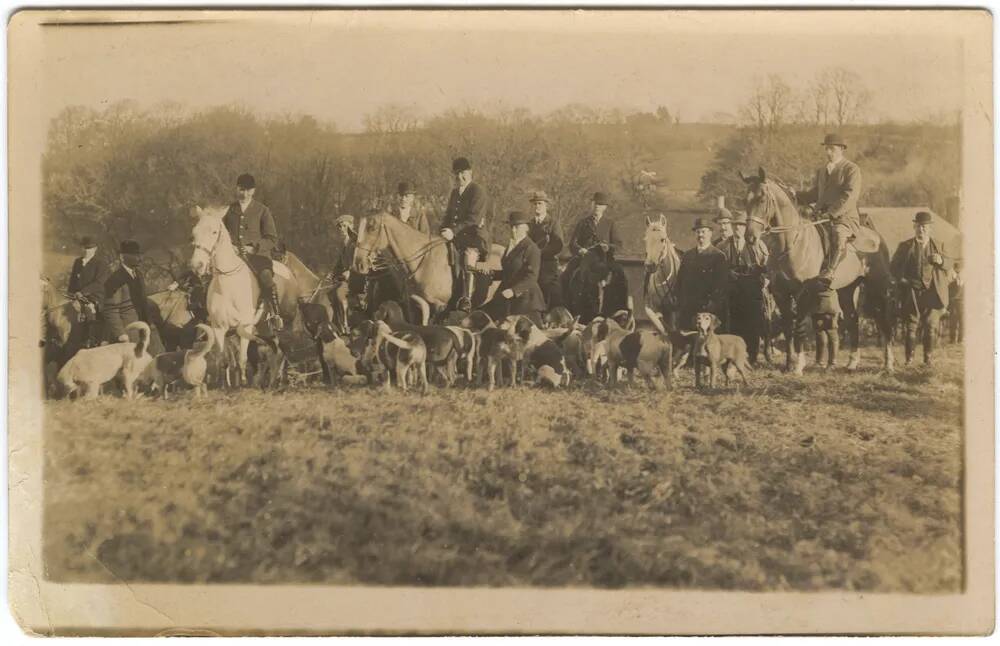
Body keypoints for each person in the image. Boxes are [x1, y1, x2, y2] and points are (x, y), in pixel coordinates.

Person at [796, 133, 862, 286]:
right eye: (826, 149)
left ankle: (831, 271)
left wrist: (832, 213)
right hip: (819, 216)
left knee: (838, 235)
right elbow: (815, 193)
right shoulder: (822, 171)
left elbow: (849, 196)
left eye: (832, 149)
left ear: (841, 149)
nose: (828, 152)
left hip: (844, 218)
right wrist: (796, 195)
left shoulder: (851, 169)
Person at [890, 211, 951, 367]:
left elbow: (950, 265)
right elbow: (893, 268)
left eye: (924, 227)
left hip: (933, 292)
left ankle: (927, 360)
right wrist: (902, 280)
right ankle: (909, 360)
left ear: (930, 228)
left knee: (930, 327)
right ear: (914, 227)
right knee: (911, 327)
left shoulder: (939, 245)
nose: (921, 230)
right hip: (911, 292)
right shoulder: (905, 246)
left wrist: (941, 260)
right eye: (918, 226)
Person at [222, 173, 282, 329]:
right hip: (233, 256)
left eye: (248, 190)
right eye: (241, 189)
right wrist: (230, 247)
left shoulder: (262, 210)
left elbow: (272, 239)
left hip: (258, 257)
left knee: (266, 277)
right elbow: (220, 234)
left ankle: (275, 314)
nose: (244, 194)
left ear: (253, 191)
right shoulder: (229, 210)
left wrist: (253, 247)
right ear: (237, 189)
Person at [480, 211, 546, 327]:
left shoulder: (532, 248)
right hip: (506, 294)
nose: (513, 230)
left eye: (517, 227)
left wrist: (513, 291)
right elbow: (509, 273)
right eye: (511, 227)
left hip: (525, 300)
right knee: (481, 316)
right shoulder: (510, 246)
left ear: (526, 228)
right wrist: (492, 274)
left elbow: (531, 277)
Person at [441, 157, 492, 304]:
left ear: (470, 172)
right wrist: (442, 230)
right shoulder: (454, 193)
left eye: (463, 173)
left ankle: (466, 299)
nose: (460, 177)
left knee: (468, 258)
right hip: (455, 237)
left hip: (474, 237)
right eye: (456, 174)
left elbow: (473, 219)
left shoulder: (478, 191)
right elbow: (448, 215)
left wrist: (453, 231)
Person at [722, 212, 769, 363]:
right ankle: (735, 356)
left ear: (746, 228)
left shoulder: (757, 244)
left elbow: (767, 264)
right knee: (735, 323)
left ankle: (752, 357)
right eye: (735, 225)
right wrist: (728, 273)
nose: (738, 228)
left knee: (753, 323)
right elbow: (718, 267)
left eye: (741, 225)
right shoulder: (723, 246)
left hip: (752, 289)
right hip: (733, 290)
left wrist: (765, 280)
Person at [103, 239, 161, 354]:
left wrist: (150, 323)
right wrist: (121, 334)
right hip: (129, 329)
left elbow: (143, 301)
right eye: (134, 255)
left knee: (158, 355)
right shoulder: (115, 279)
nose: (139, 258)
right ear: (122, 257)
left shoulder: (138, 275)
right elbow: (111, 309)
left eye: (139, 254)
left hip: (146, 326)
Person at [677, 218, 729, 330]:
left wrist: (712, 304)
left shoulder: (718, 256)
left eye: (703, 231)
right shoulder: (687, 256)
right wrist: (681, 301)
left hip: (707, 312)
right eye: (697, 232)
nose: (700, 235)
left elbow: (721, 285)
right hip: (688, 311)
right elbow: (680, 281)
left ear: (710, 233)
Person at [67, 236, 110, 346]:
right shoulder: (77, 262)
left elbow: (99, 283)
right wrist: (70, 293)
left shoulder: (101, 263)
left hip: (95, 295)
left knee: (88, 309)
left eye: (89, 248)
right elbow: (73, 280)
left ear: (95, 249)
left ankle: (91, 340)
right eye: (84, 248)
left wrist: (83, 292)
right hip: (76, 295)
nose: (86, 251)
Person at [527, 190, 564, 309]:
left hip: (547, 264)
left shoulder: (553, 223)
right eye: (535, 204)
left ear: (546, 206)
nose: (537, 206)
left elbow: (558, 245)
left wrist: (540, 253)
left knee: (547, 287)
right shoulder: (529, 224)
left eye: (540, 204)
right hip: (532, 264)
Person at [812, 288, 842, 370]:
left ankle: (832, 363)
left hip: (831, 317)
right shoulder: (815, 290)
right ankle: (819, 361)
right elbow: (812, 305)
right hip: (818, 316)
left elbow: (836, 307)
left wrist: (835, 319)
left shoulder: (833, 292)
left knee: (833, 339)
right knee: (821, 340)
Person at [947, 260, 963, 344]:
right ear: (954, 268)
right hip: (953, 301)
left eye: (959, 268)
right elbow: (948, 287)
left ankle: (960, 339)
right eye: (956, 268)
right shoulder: (951, 277)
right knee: (953, 320)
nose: (958, 269)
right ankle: (952, 339)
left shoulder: (963, 277)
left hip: (961, 302)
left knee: (962, 320)